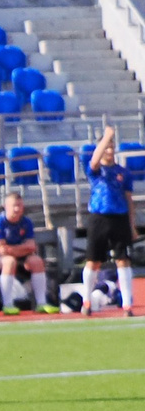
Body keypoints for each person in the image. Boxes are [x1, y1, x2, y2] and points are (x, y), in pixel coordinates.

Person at [82, 121, 134, 317]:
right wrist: (106, 136)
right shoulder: (95, 171)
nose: (109, 150)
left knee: (123, 259)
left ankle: (127, 304)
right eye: (106, 146)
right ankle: (86, 300)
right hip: (99, 217)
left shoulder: (123, 172)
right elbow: (94, 162)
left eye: (112, 146)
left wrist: (131, 224)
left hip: (119, 217)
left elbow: (129, 199)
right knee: (93, 261)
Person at [0, 191, 52, 315]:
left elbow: (31, 246)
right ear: (6, 206)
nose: (17, 209)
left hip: (16, 254)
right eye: (14, 206)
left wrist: (14, 249)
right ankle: (7, 304)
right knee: (9, 261)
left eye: (19, 206)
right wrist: (22, 248)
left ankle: (41, 303)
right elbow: (1, 249)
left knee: (36, 261)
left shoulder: (26, 222)